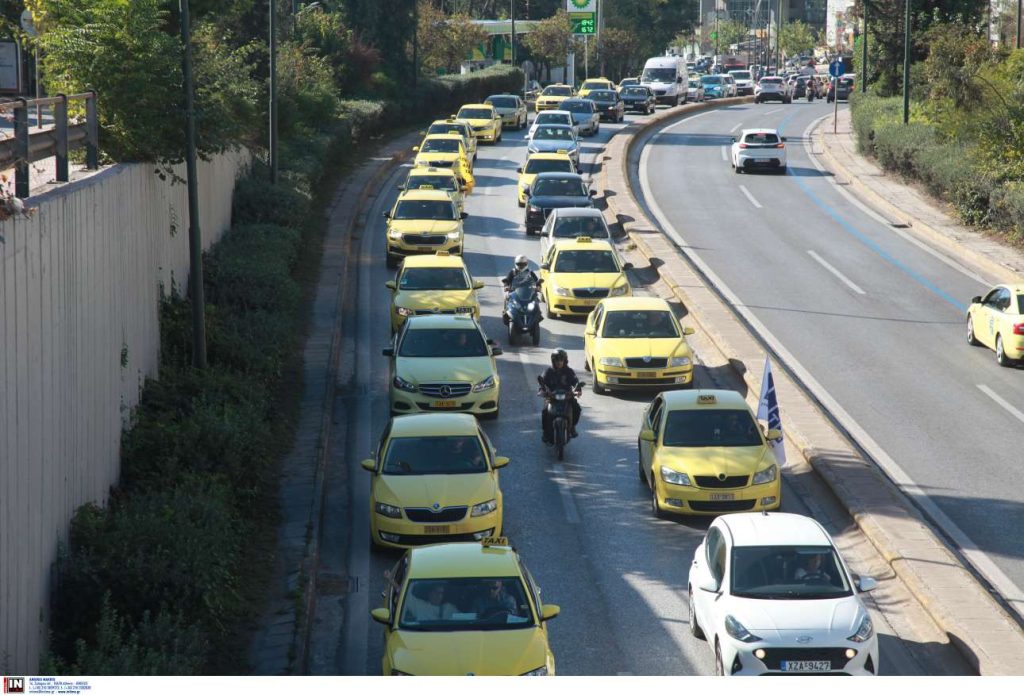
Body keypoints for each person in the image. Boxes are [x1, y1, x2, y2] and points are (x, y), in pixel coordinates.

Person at [539, 348, 582, 443]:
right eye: (557, 360)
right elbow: (542, 382)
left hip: (567, 396)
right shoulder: (548, 371)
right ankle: (545, 432)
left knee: (577, 409)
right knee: (544, 411)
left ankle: (572, 427)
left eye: (561, 360)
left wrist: (578, 389)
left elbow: (575, 382)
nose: (559, 362)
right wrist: (542, 390)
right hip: (552, 397)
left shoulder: (569, 371)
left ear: (565, 361)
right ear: (553, 361)